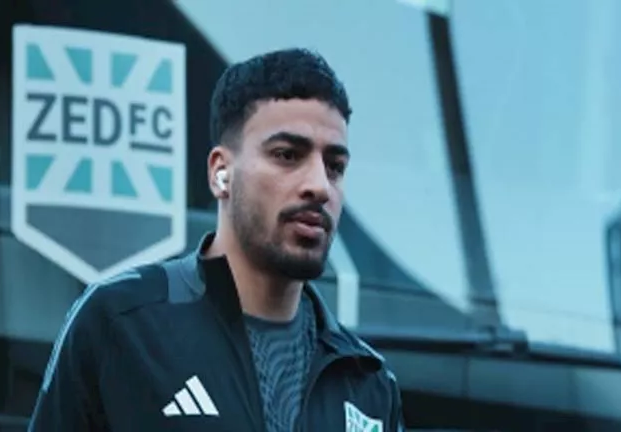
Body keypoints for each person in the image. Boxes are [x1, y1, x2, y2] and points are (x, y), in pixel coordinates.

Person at [28, 47, 405, 432]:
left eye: (335, 167)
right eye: (287, 155)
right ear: (220, 173)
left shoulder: (368, 382)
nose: (320, 186)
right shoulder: (120, 323)